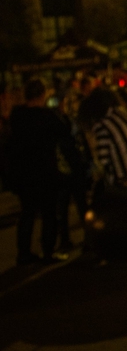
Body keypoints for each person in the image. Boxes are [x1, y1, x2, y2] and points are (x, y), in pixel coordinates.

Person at [8, 79, 71, 264]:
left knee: (27, 213)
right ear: (42, 95)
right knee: (49, 213)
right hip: (45, 170)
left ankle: (23, 252)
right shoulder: (47, 116)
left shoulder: (17, 115)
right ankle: (48, 251)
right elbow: (64, 131)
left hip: (24, 172)